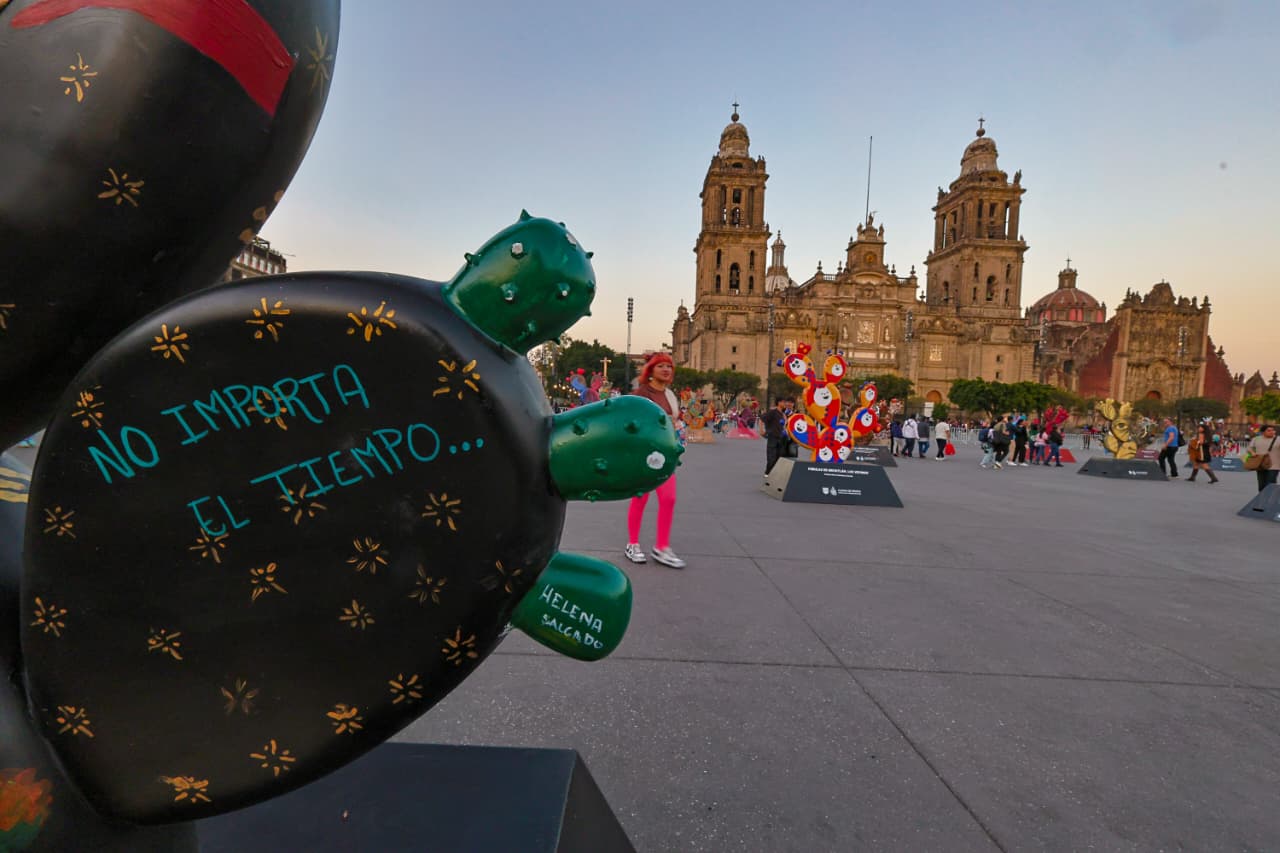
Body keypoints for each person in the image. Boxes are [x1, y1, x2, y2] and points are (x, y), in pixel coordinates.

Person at [624, 353, 685, 569]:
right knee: (640, 497)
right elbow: (631, 422)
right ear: (651, 370)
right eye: (661, 366)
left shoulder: (670, 395)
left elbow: (675, 420)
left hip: (666, 453)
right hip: (644, 454)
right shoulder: (641, 393)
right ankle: (632, 544)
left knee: (669, 499)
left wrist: (677, 427)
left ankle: (662, 546)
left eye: (669, 366)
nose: (666, 370)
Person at [762, 397, 793, 475]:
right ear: (779, 403)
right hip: (773, 437)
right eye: (783, 402)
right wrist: (761, 431)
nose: (785, 404)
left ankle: (773, 473)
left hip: (781, 438)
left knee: (778, 457)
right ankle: (767, 472)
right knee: (771, 457)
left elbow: (785, 425)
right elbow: (762, 419)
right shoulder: (773, 412)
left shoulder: (783, 414)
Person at [1247, 424, 1280, 492]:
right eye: (1269, 430)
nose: (1271, 432)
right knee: (1261, 485)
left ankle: (1270, 497)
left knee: (1270, 484)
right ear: (1263, 432)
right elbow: (1249, 448)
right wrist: (1252, 453)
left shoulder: (1278, 439)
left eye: (1273, 430)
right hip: (1260, 465)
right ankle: (1262, 497)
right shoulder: (1256, 439)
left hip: (1274, 466)